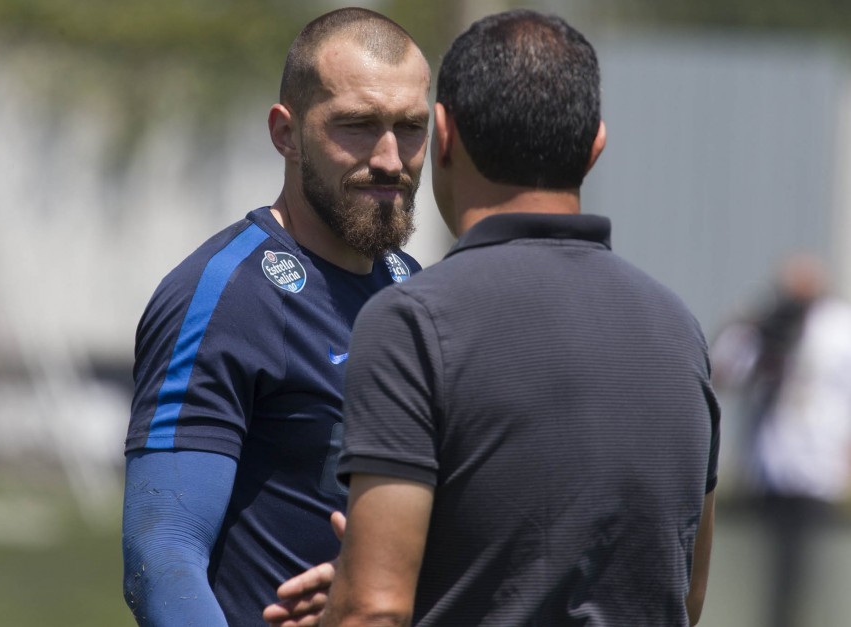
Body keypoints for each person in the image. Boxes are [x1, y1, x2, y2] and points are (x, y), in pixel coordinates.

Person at [267, 9, 720, 627]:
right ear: (595, 147)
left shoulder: (413, 322)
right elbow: (688, 598)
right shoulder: (679, 331)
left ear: (445, 133)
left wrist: (347, 599)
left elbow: (373, 612)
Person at [121, 7, 431, 626]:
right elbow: (162, 555)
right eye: (358, 126)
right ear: (285, 133)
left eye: (411, 127)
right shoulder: (224, 295)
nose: (392, 159)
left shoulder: (417, 293)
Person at [711, 254, 851, 627]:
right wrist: (753, 328)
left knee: (805, 568)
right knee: (763, 566)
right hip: (769, 467)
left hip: (817, 469)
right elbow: (724, 372)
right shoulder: (765, 323)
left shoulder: (839, 328)